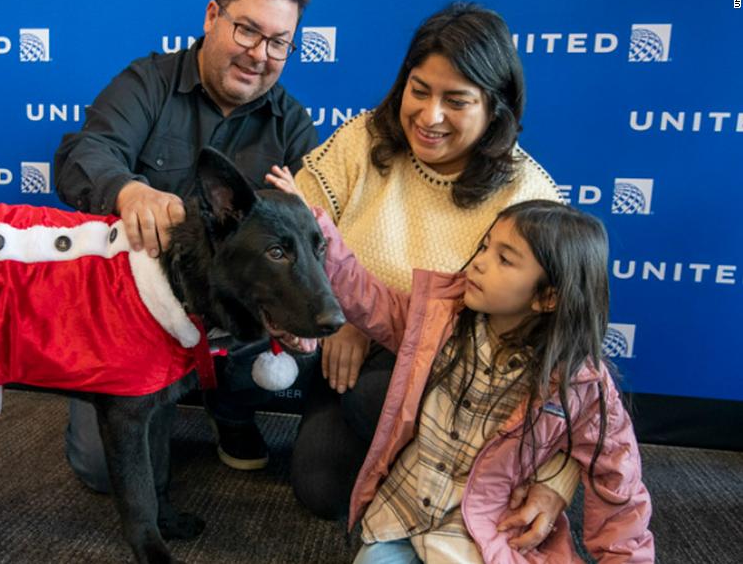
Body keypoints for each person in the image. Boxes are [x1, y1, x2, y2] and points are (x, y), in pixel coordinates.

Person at [285, 2, 576, 545]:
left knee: (373, 397)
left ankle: (466, 487)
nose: (430, 115)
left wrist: (559, 477)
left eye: (457, 100)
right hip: (349, 354)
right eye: (420, 90)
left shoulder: (529, 195)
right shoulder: (360, 140)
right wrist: (341, 313)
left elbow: (573, 358)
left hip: (464, 383)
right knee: (320, 488)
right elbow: (296, 230)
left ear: (495, 107)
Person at [272, 174, 655, 561]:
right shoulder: (438, 320)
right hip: (401, 515)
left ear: (548, 297)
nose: (479, 263)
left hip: (480, 533)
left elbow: (619, 489)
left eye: (504, 259)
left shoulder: (582, 385)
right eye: (485, 247)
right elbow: (366, 297)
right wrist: (313, 227)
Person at [52, 0, 319, 492]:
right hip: (132, 312)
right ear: (212, 16)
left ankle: (234, 411)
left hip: (230, 315)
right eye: (247, 30)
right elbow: (86, 152)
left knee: (308, 310)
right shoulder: (145, 83)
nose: (259, 54)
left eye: (278, 43)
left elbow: (316, 232)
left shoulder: (291, 122)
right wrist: (128, 190)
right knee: (102, 472)